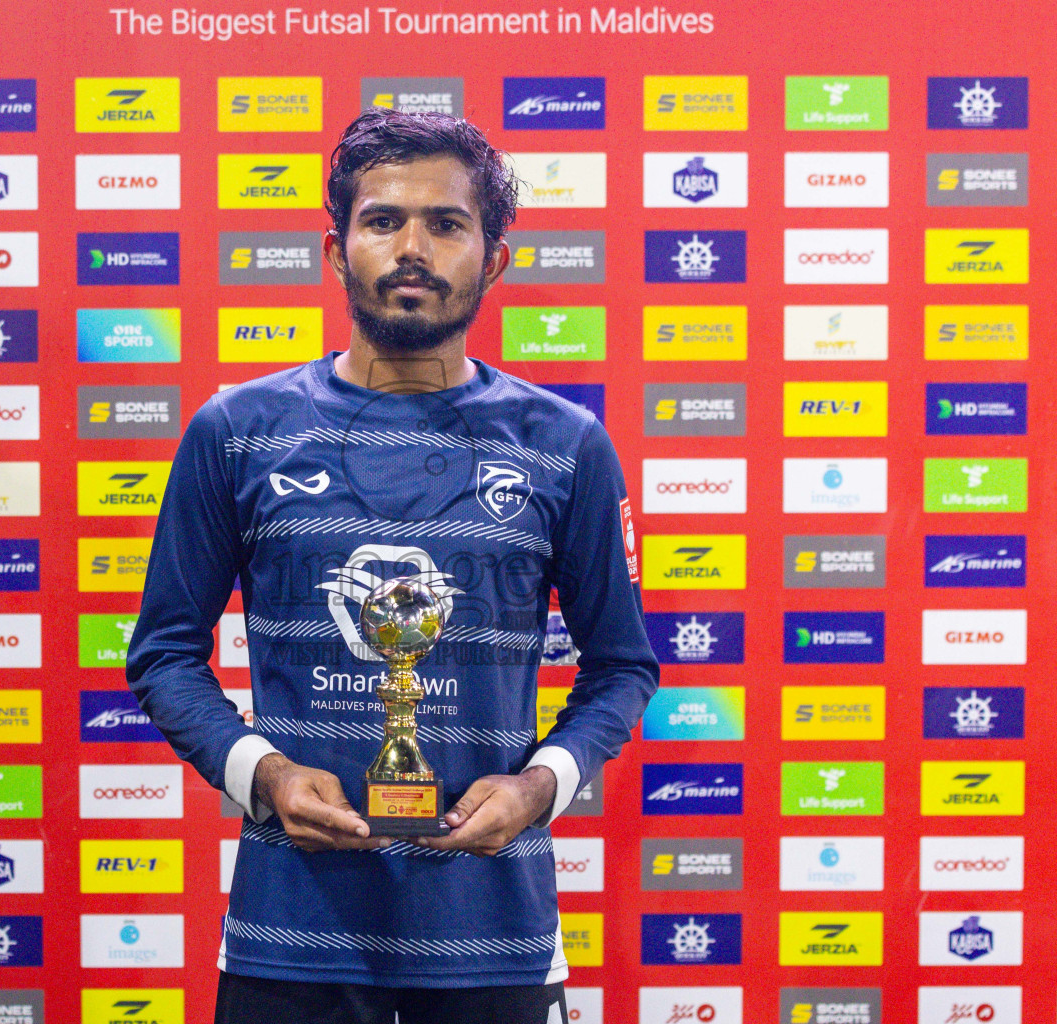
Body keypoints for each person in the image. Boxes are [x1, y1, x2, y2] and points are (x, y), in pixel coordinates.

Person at [128, 108, 659, 1024]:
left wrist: (541, 787)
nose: (412, 247)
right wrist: (262, 774)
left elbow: (622, 669)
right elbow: (164, 653)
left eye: (446, 224)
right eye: (383, 221)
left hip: (492, 941)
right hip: (290, 940)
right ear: (336, 250)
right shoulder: (237, 432)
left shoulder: (566, 445)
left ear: (493, 259)